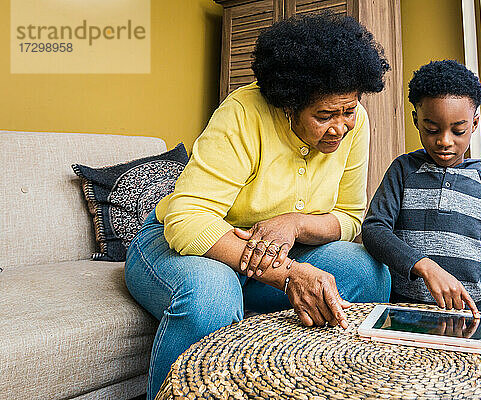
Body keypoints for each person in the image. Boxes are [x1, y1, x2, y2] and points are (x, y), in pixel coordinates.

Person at [125, 13, 392, 399]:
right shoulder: (243, 114)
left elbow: (350, 218)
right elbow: (187, 220)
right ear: (288, 106)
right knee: (212, 294)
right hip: (181, 247)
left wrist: (295, 224)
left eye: (347, 111)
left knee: (369, 272)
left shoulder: (355, 123)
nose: (340, 127)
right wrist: (287, 274)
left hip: (270, 256)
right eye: (323, 116)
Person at [362, 60, 481, 335]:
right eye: (432, 129)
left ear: (473, 124)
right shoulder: (403, 171)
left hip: (474, 319)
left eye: (458, 130)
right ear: (417, 121)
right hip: (405, 313)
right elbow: (374, 230)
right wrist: (425, 267)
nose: (445, 141)